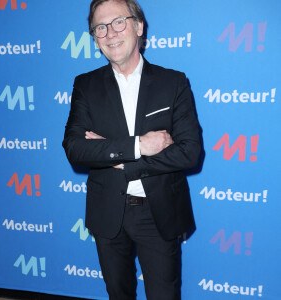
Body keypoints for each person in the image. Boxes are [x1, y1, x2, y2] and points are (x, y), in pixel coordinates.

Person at [62, 0, 201, 299]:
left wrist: (126, 163)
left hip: (158, 212)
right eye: (100, 27)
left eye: (118, 22)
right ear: (95, 37)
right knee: (118, 293)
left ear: (138, 26)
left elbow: (190, 152)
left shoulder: (173, 82)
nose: (110, 33)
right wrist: (139, 145)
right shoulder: (85, 85)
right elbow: (75, 148)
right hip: (107, 212)